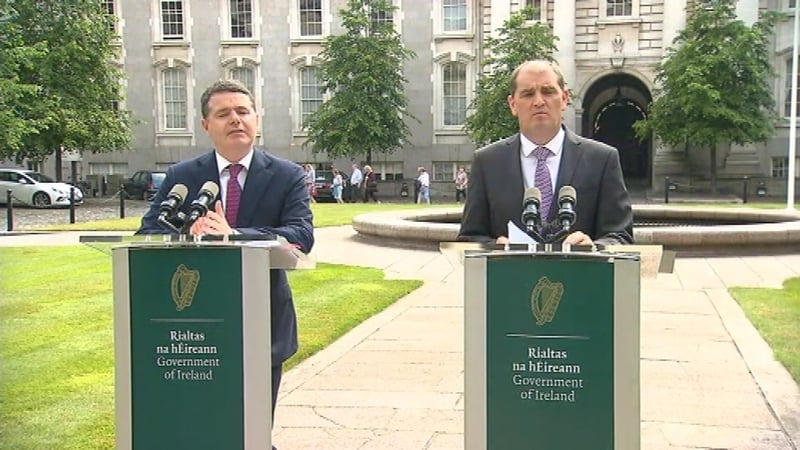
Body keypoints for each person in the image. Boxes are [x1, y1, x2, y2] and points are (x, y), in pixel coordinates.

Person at [135, 79, 315, 446]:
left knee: (251, 433)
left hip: (261, 322)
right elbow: (147, 234)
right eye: (223, 114)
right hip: (192, 328)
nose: (235, 119)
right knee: (204, 433)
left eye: (243, 111)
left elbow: (301, 234)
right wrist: (189, 232)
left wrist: (234, 233)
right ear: (206, 125)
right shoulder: (181, 177)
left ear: (256, 119)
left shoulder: (287, 175)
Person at [458, 60, 633, 246]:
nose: (539, 101)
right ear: (513, 104)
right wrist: (493, 247)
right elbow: (469, 238)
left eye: (548, 92)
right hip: (511, 274)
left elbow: (620, 237)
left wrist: (594, 248)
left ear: (564, 99)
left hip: (580, 273)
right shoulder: (487, 162)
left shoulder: (602, 159)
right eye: (528, 94)